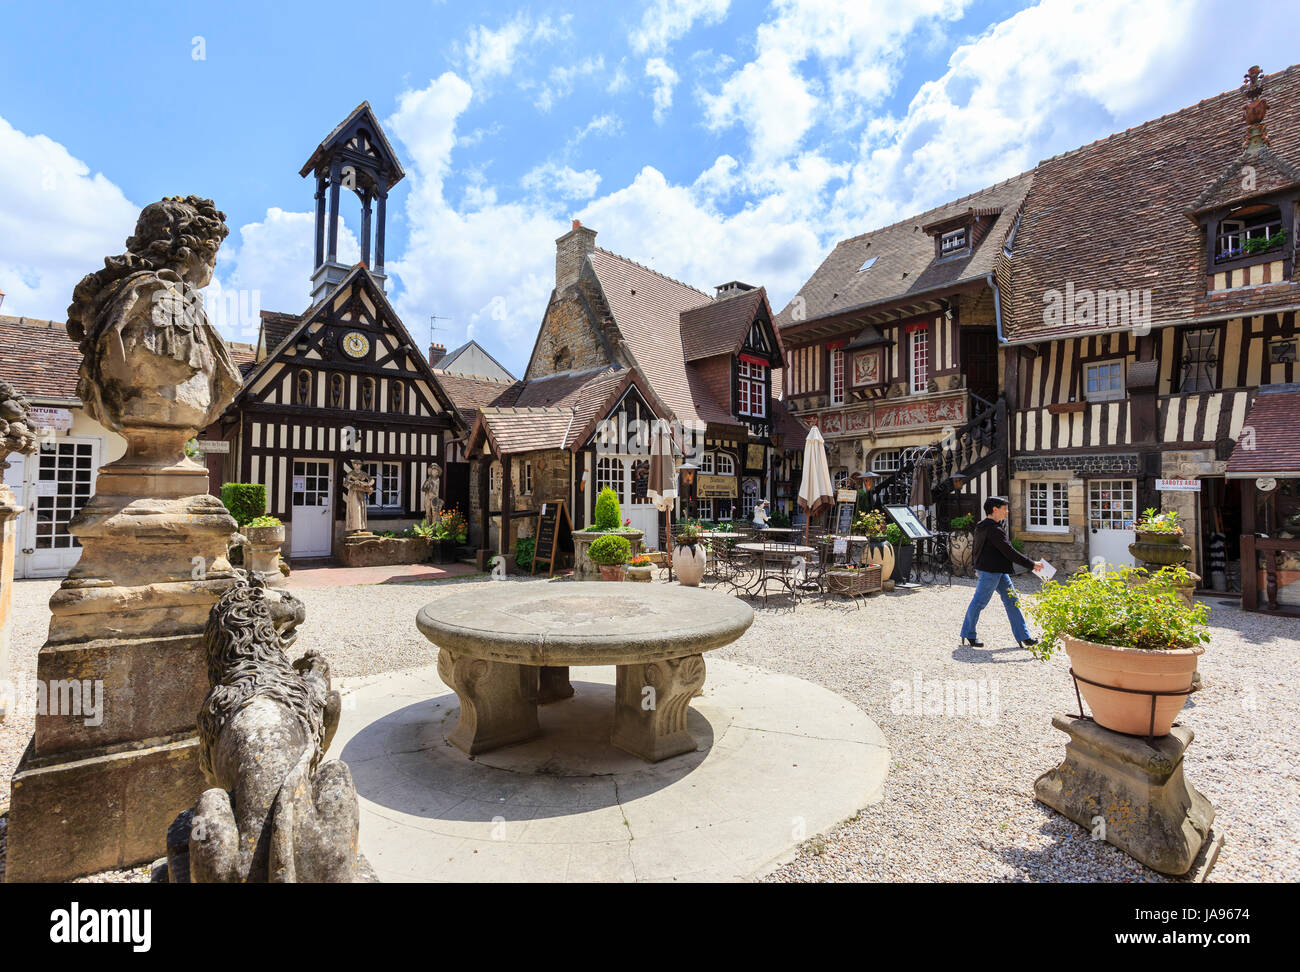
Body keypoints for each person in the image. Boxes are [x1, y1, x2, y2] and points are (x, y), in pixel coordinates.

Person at [960, 496, 1042, 649]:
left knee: (1012, 601)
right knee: (979, 602)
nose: (1007, 511)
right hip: (990, 572)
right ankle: (968, 633)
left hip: (998, 571)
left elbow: (976, 549)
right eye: (1004, 509)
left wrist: (976, 566)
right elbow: (1009, 552)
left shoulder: (982, 526)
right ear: (995, 509)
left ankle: (1024, 637)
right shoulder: (993, 529)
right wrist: (1032, 564)